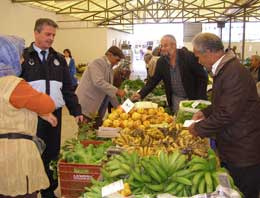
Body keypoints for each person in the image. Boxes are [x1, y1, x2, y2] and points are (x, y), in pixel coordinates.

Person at [188, 32, 260, 198]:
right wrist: (205, 112)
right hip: (235, 144)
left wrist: (198, 129)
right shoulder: (225, 69)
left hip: (243, 150)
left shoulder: (233, 72)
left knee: (243, 191)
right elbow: (224, 103)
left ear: (208, 52)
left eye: (199, 56)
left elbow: (227, 113)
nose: (198, 61)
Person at [21, 18, 83, 198]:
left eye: (53, 35)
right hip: (31, 116)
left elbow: (68, 88)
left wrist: (76, 110)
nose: (51, 39)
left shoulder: (59, 59)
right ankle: (30, 190)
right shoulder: (24, 57)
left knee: (52, 153)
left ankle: (49, 190)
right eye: (48, 34)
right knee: (32, 154)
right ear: (36, 33)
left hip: (54, 115)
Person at [0, 35, 57, 198]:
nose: (23, 60)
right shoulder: (13, 84)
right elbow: (48, 104)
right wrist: (42, 109)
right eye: (19, 55)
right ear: (9, 57)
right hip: (14, 156)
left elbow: (8, 108)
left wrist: (39, 112)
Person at [131, 34, 208, 113]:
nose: (162, 48)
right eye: (161, 46)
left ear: (174, 45)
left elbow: (203, 77)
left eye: (165, 46)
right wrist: (140, 94)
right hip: (176, 99)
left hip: (192, 98)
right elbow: (153, 80)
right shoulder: (162, 62)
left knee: (193, 122)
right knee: (178, 121)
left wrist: (200, 98)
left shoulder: (189, 57)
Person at [76, 46, 126, 127]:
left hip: (97, 108)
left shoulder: (110, 69)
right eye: (117, 60)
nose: (117, 63)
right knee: (85, 133)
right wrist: (117, 90)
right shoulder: (98, 62)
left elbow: (108, 90)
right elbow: (98, 82)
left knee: (95, 131)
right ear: (109, 55)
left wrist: (117, 106)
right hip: (87, 105)